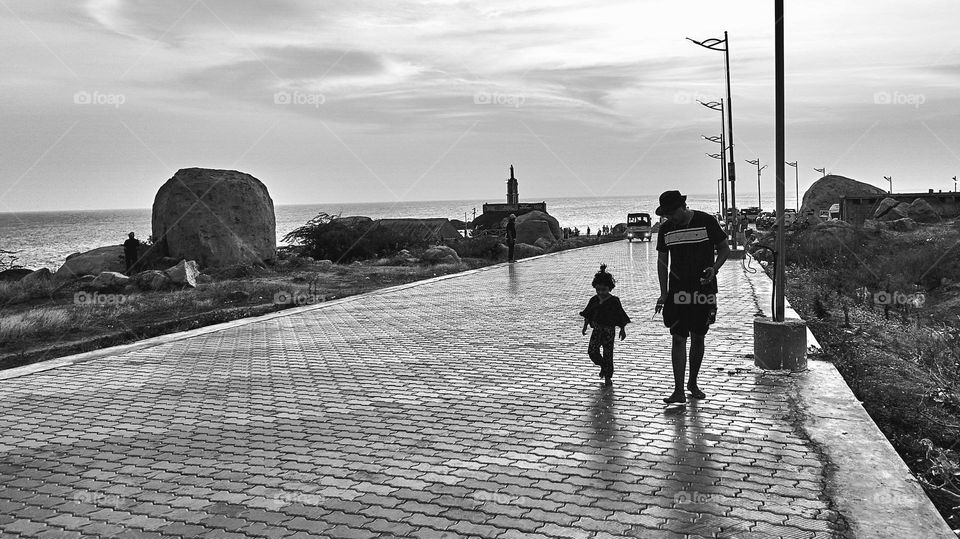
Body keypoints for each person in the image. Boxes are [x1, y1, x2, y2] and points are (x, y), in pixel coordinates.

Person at [654, 190, 730, 404]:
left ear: (682, 207)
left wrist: (714, 269)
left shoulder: (707, 221)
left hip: (704, 291)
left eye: (672, 213)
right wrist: (663, 292)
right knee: (678, 337)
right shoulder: (666, 229)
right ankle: (678, 390)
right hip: (677, 292)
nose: (670, 218)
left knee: (698, 336)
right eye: (666, 215)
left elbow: (724, 248)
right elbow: (662, 261)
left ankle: (692, 383)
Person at [580, 264, 631, 387]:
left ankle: (608, 376)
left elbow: (620, 315)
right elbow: (588, 313)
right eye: (598, 290)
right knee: (592, 351)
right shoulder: (594, 300)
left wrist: (622, 329)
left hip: (609, 331)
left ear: (609, 288)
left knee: (608, 353)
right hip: (597, 330)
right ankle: (603, 365)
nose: (601, 292)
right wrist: (585, 325)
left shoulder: (614, 301)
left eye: (604, 290)